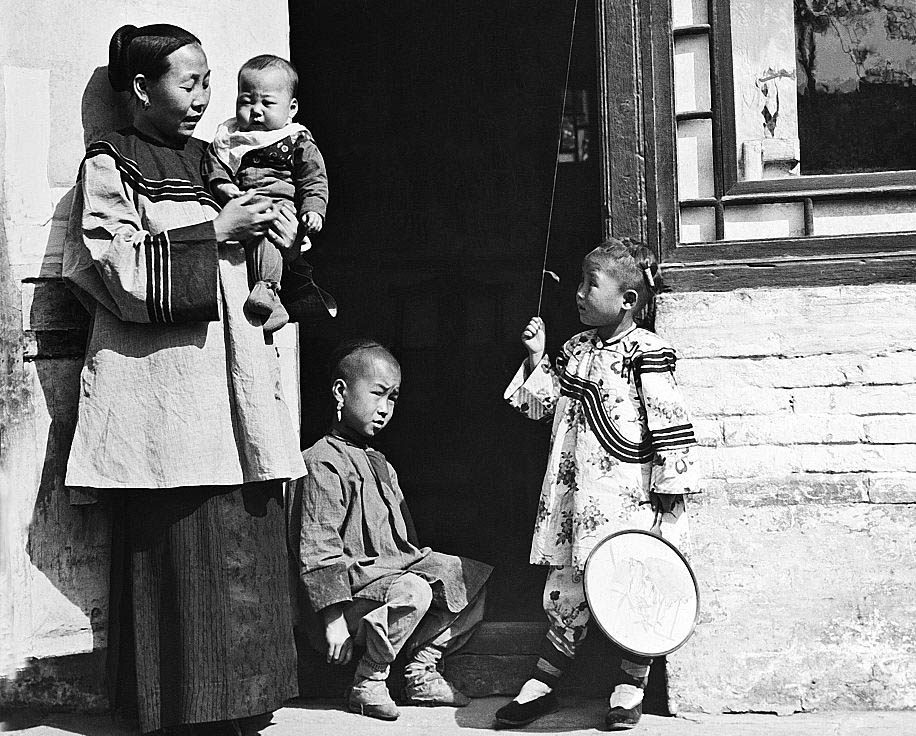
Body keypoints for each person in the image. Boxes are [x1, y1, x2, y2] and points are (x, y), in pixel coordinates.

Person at [62, 24, 306, 735]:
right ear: (141, 88)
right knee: (179, 549)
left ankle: (246, 704)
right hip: (166, 395)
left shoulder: (214, 158)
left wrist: (274, 226)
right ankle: (181, 710)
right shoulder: (111, 162)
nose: (204, 96)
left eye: (207, 81)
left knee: (244, 533)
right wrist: (216, 231)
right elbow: (112, 264)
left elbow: (262, 232)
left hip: (233, 386)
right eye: (188, 81)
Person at [495, 239, 701, 730]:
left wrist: (670, 491)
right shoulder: (574, 351)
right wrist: (535, 357)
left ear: (627, 300)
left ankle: (630, 685)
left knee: (634, 585)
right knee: (568, 587)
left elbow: (669, 419)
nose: (580, 294)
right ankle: (543, 683)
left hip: (628, 497)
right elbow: (537, 406)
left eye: (592, 285)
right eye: (581, 282)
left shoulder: (646, 353)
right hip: (574, 495)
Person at [287, 340, 492, 721]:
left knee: (468, 577)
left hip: (392, 584)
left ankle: (422, 668)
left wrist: (434, 572)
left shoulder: (381, 463)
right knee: (413, 590)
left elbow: (406, 544)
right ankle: (369, 679)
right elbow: (317, 550)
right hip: (348, 600)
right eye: (377, 394)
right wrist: (332, 621)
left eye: (393, 399)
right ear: (340, 392)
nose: (385, 409)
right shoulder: (321, 462)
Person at [202, 54, 332, 334]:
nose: (256, 111)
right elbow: (214, 165)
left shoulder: (296, 139)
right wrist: (222, 185)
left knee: (268, 239)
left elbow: (313, 177)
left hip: (280, 207)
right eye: (246, 101)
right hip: (243, 206)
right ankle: (273, 304)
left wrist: (313, 209)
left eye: (267, 103)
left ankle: (268, 289)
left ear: (291, 107)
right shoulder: (229, 138)